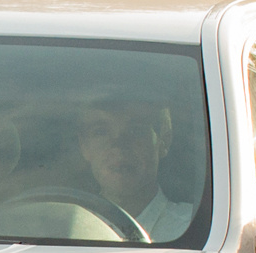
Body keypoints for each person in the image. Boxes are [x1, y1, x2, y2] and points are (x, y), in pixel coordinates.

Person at [77, 99, 191, 241]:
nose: (118, 147)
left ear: (164, 140)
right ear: (84, 146)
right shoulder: (64, 226)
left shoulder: (196, 230)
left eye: (135, 130)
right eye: (101, 132)